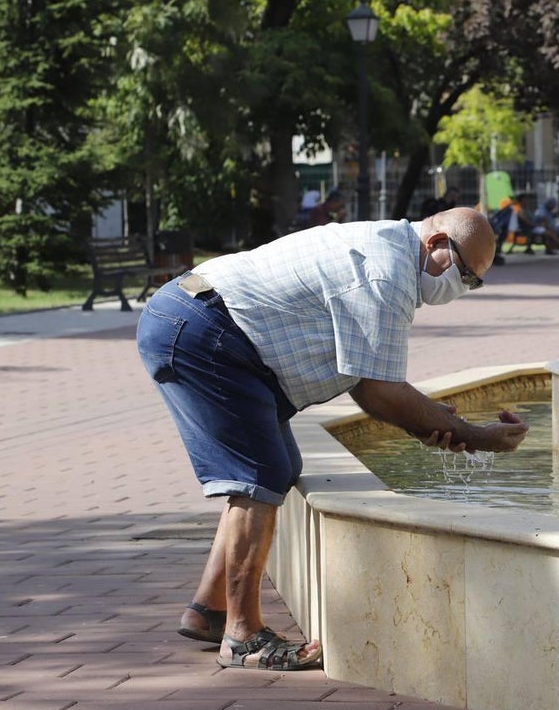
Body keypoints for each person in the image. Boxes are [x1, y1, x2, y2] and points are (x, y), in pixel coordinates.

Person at [136, 207, 530, 671]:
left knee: (278, 464)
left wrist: (431, 420)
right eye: (464, 273)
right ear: (435, 243)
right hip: (203, 329)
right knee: (259, 473)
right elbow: (381, 392)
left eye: (475, 282)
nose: (462, 288)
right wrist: (476, 436)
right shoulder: (387, 272)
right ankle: (242, 637)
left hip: (200, 320)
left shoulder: (389, 253)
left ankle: (210, 611)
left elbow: (369, 382)